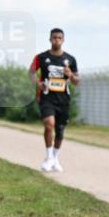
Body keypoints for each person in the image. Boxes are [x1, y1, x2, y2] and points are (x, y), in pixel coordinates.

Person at [30, 28, 80, 172]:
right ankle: (49, 157)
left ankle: (55, 157)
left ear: (63, 40)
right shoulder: (41, 57)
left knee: (60, 130)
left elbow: (77, 81)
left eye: (59, 38)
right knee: (49, 124)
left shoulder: (70, 59)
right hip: (47, 96)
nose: (56, 40)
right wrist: (38, 83)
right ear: (50, 39)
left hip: (63, 99)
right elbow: (31, 72)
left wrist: (70, 74)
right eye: (54, 38)